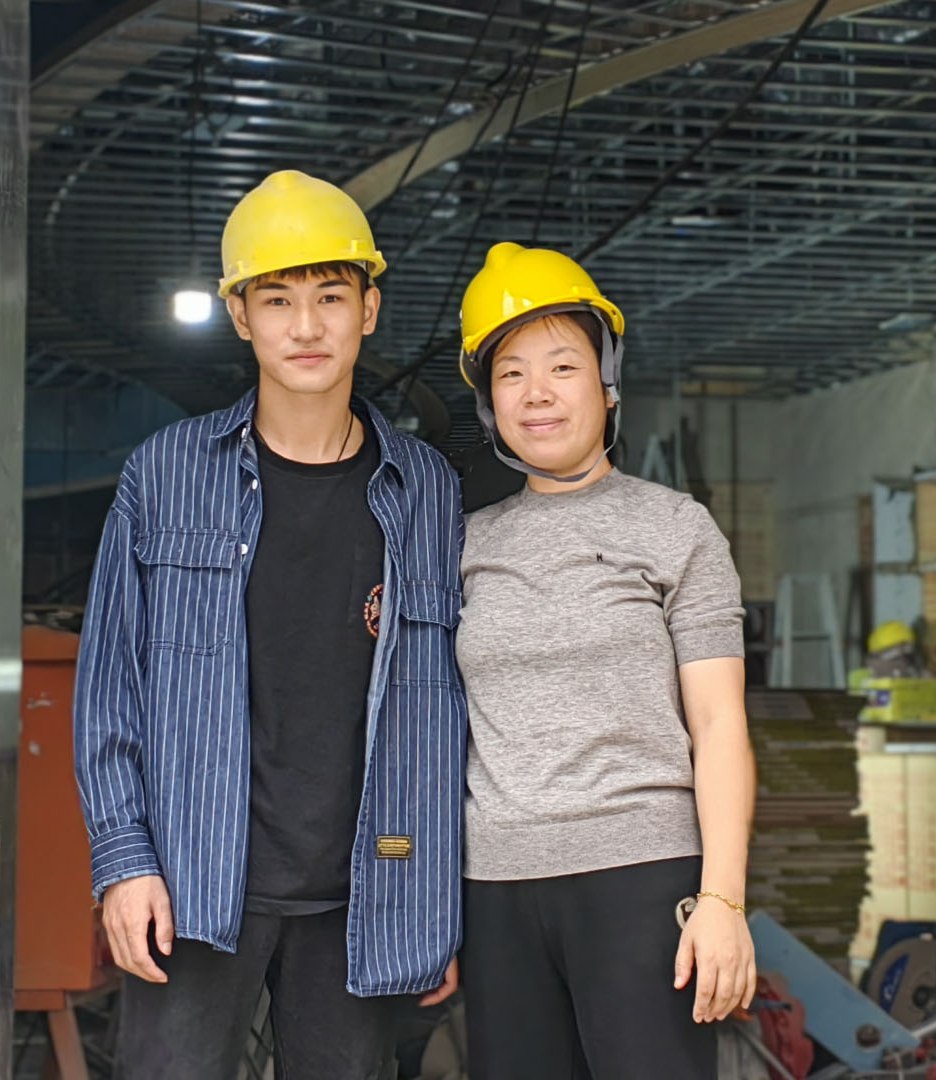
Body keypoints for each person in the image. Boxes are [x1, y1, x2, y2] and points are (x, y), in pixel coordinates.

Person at [72, 170, 466, 1079]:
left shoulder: (429, 493)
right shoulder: (166, 474)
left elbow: (450, 710)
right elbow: (108, 689)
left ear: (369, 309)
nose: (306, 325)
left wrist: (435, 904)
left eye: (331, 296)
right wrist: (124, 862)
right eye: (278, 299)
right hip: (193, 884)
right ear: (241, 317)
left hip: (367, 899)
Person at [451, 242, 759, 1079]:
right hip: (495, 890)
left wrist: (723, 899)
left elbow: (719, 724)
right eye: (511, 374)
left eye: (562, 365)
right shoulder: (461, 545)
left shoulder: (675, 528)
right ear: (489, 403)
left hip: (641, 880)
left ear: (607, 381)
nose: (537, 393)